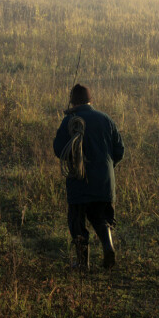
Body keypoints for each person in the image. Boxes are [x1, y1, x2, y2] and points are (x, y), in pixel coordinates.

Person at [53, 84, 125, 270]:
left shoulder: (70, 120)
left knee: (77, 221)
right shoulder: (106, 119)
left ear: (72, 101)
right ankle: (108, 247)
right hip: (105, 183)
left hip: (79, 183)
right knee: (101, 218)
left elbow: (59, 149)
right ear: (90, 100)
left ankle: (82, 263)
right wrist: (107, 167)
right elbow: (120, 150)